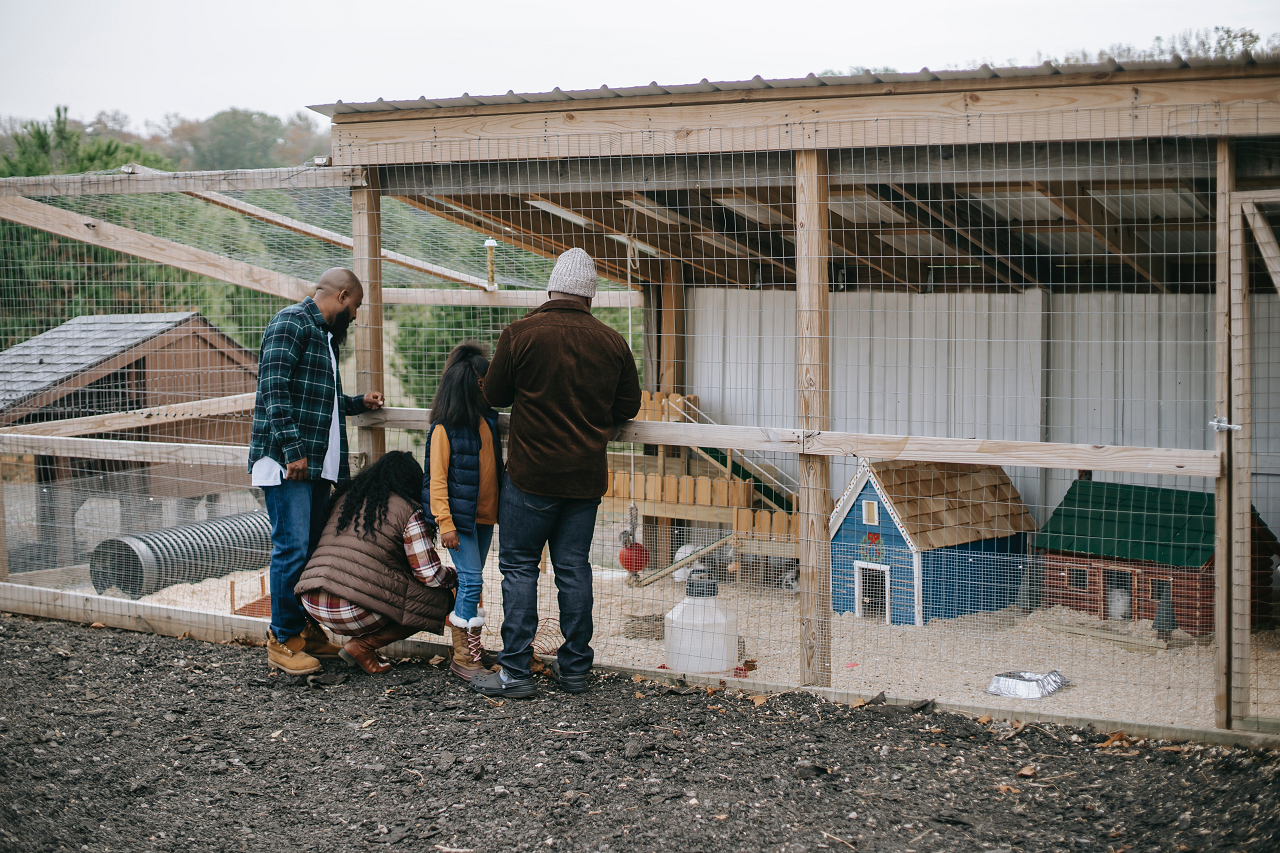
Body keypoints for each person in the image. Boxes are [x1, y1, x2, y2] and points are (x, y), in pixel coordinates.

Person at [472, 248, 641, 698]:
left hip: (531, 475)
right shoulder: (612, 342)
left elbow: (494, 394)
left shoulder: (521, 333)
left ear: (551, 289)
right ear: (590, 297)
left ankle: (515, 673)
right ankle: (575, 670)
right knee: (573, 570)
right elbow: (628, 409)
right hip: (584, 480)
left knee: (520, 569)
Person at [247, 268, 384, 676]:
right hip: (289, 464)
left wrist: (359, 403)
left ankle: (304, 631)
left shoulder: (322, 336)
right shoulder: (290, 322)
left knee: (308, 554)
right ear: (342, 296)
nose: (356, 316)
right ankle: (283, 640)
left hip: (312, 467)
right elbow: (273, 388)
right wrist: (293, 450)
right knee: (291, 550)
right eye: (356, 306)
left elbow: (319, 400)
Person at [296, 451, 455, 674]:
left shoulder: (346, 499)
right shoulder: (410, 511)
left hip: (312, 602)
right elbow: (428, 574)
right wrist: (454, 577)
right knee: (441, 598)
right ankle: (363, 646)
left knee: (373, 584)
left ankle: (363, 647)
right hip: (352, 610)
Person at [422, 342, 504, 682]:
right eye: (482, 383)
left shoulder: (488, 423)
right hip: (461, 522)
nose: (486, 387)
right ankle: (462, 658)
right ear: (468, 385)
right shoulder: (444, 429)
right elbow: (436, 480)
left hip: (484, 518)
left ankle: (472, 650)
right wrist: (446, 523)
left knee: (474, 584)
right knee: (471, 581)